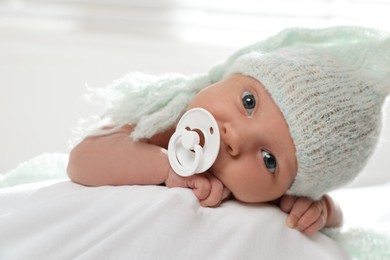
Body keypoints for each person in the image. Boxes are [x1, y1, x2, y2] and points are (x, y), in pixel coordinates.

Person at [67, 26, 390, 235]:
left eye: (268, 159)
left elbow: (334, 216)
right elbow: (82, 159)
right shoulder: (168, 122)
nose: (235, 139)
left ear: (288, 191)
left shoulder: (272, 196)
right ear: (231, 75)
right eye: (249, 101)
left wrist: (324, 210)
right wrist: (165, 166)